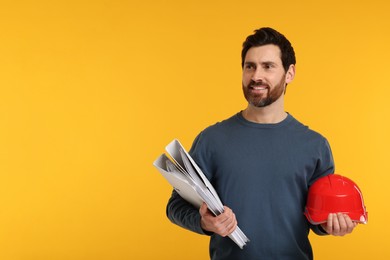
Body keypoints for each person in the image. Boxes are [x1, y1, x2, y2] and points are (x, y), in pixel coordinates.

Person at [166, 27, 357, 260]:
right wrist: (204, 222)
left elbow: (316, 218)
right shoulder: (212, 140)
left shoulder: (315, 146)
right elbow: (175, 206)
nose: (256, 76)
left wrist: (331, 225)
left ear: (289, 73)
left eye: (268, 66)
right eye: (250, 66)